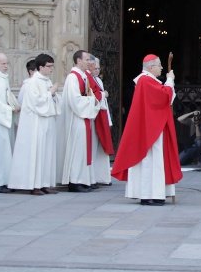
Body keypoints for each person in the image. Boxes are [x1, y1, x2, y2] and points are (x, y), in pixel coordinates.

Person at [111, 54, 182, 206]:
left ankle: (153, 193)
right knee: (150, 161)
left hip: (152, 126)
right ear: (151, 67)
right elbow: (162, 98)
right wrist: (170, 80)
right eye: (159, 65)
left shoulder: (148, 80)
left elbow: (164, 97)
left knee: (153, 161)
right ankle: (148, 194)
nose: (162, 68)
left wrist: (169, 83)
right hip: (150, 129)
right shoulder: (145, 80)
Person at [8, 53, 59, 195]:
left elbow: (50, 98)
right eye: (49, 66)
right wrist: (51, 93)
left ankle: (45, 183)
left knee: (46, 152)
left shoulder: (47, 81)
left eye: (52, 66)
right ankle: (34, 184)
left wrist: (53, 95)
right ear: (40, 67)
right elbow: (35, 102)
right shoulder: (32, 82)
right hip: (36, 123)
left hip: (47, 120)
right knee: (37, 152)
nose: (51, 69)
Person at [58, 50, 101, 192]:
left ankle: (83, 180)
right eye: (87, 59)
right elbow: (74, 100)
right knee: (77, 150)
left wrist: (92, 100)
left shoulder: (83, 76)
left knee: (83, 150)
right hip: (76, 119)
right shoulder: (73, 77)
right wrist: (91, 101)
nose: (90, 62)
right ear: (78, 61)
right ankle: (74, 181)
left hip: (83, 117)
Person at [0, 53, 17, 193]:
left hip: (2, 120)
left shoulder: (3, 78)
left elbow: (8, 95)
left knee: (4, 152)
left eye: (7, 63)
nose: (6, 66)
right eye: (3, 64)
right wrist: (10, 109)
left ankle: (4, 180)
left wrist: (14, 104)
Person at [87, 56, 114, 185]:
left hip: (101, 113)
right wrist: (104, 94)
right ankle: (92, 177)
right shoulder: (87, 79)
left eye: (98, 68)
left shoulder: (98, 80)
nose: (97, 70)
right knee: (93, 147)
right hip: (94, 115)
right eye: (94, 68)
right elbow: (91, 95)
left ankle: (101, 176)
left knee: (101, 147)